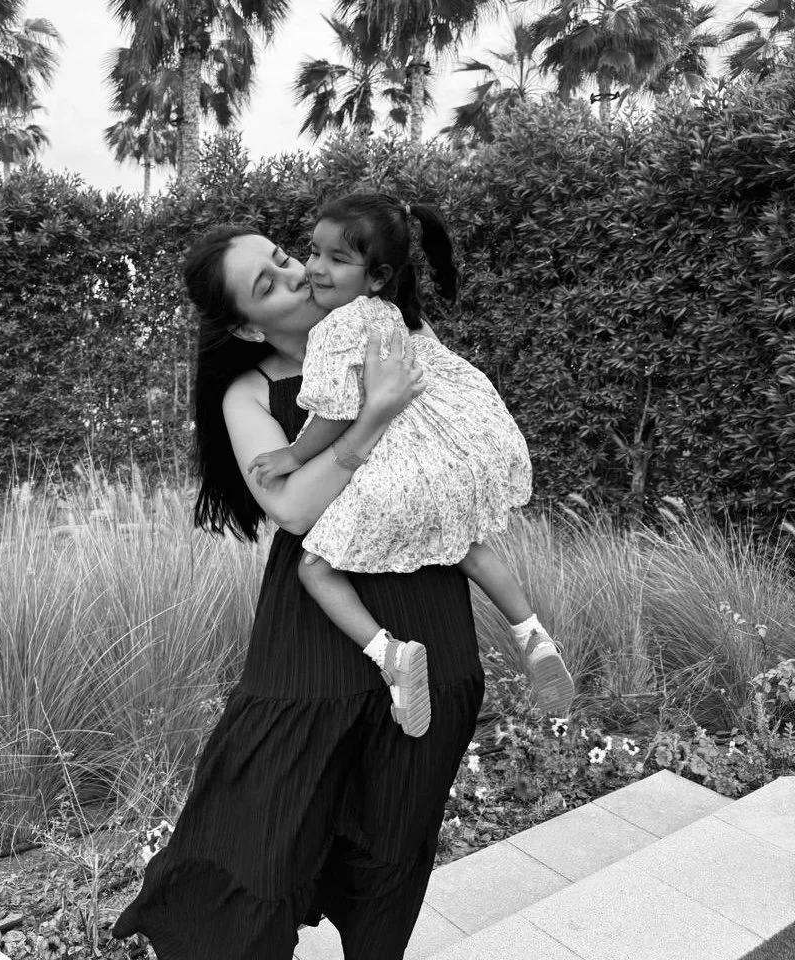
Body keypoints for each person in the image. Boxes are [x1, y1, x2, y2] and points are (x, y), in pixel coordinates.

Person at [112, 223, 485, 960]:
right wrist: (371, 418)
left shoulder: (389, 336)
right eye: (268, 282)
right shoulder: (249, 394)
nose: (295, 274)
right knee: (258, 827)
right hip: (310, 634)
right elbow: (293, 508)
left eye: (284, 258)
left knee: (395, 839)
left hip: (427, 605)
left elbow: (460, 439)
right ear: (249, 324)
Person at [247, 192, 574, 735]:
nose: (315, 268)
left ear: (376, 276)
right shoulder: (397, 316)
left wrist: (293, 454)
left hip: (387, 473)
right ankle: (531, 633)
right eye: (313, 251)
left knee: (316, 567)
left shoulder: (333, 330)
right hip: (442, 466)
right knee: (468, 547)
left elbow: (334, 414)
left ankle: (390, 655)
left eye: (336, 259)